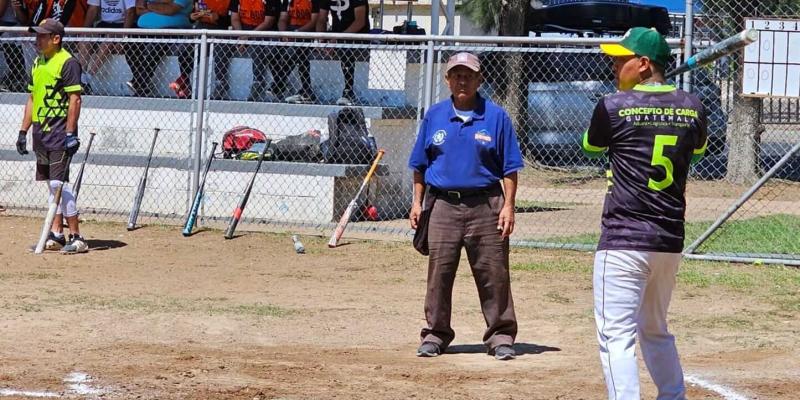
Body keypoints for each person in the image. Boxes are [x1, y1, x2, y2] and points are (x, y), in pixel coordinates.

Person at [583, 27, 708, 399]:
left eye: (620, 61)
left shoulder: (611, 106)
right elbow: (697, 152)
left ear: (642, 64)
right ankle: (673, 395)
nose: (614, 68)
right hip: (668, 241)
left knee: (615, 335)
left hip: (623, 238)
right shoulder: (694, 106)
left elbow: (590, 146)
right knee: (655, 328)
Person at [408, 52, 523, 361]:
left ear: (479, 79)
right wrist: (417, 202)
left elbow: (510, 168)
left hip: (486, 204)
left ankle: (500, 335)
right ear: (447, 80)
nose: (462, 80)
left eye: (469, 75)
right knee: (439, 274)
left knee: (493, 274)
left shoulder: (496, 117)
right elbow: (419, 164)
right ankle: (435, 334)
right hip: (443, 205)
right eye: (456, 75)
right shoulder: (434, 115)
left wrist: (508, 206)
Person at [16, 18, 88, 253]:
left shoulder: (67, 62)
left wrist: (70, 133)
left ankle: (77, 236)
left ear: (56, 39)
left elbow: (75, 98)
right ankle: (57, 234)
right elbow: (32, 98)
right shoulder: (37, 62)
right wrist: (23, 130)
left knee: (59, 183)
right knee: (50, 185)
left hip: (59, 132)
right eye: (37, 35)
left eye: (43, 36)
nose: (38, 39)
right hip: (41, 132)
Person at [125, 0, 192, 97]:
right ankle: (142, 84)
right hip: (145, 30)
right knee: (129, 45)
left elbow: (171, 9)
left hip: (171, 30)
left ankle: (140, 82)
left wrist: (148, 5)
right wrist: (161, 7)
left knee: (155, 45)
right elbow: (139, 10)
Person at [168, 0, 232, 99]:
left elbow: (233, 20)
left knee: (220, 49)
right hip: (201, 28)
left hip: (221, 30)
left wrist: (219, 18)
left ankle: (221, 84)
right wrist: (192, 17)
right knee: (184, 48)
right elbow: (193, 14)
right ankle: (185, 83)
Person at [229, 0, 286, 102]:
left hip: (265, 31)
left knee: (263, 46)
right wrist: (241, 36)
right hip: (243, 30)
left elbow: (268, 22)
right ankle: (221, 82)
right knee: (223, 44)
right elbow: (234, 19)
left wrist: (248, 36)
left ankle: (262, 82)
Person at [316, 0, 368, 106]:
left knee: (346, 50)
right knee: (301, 48)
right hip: (337, 35)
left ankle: (349, 92)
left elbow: (360, 21)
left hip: (357, 36)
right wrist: (321, 40)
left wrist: (337, 39)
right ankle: (304, 90)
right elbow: (321, 19)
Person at [78, 0, 136, 93]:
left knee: (108, 42)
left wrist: (123, 37)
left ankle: (88, 78)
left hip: (121, 25)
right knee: (85, 40)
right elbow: (93, 9)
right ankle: (80, 77)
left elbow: (130, 12)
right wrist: (84, 30)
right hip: (104, 24)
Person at [279, 0, 318, 104]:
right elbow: (282, 19)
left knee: (296, 51)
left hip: (307, 32)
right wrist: (284, 33)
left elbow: (314, 21)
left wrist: (298, 33)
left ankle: (279, 82)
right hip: (291, 32)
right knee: (296, 54)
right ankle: (306, 90)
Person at [0, 0, 27, 92]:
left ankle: (15, 80)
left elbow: (0, 11)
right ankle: (13, 79)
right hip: (6, 26)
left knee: (8, 37)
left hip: (11, 25)